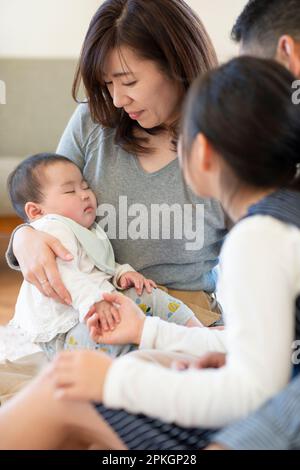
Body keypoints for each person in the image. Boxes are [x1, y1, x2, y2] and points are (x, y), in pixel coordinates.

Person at [1, 54, 300, 450]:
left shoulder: (255, 240)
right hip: (273, 403)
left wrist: (112, 382)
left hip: (261, 429)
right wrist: (152, 333)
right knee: (135, 364)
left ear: (203, 152)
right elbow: (270, 357)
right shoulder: (284, 219)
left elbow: (249, 392)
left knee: (63, 389)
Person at [6, 0, 227, 328]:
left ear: (176, 63)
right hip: (91, 308)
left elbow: (265, 244)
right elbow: (46, 202)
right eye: (108, 84)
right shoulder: (92, 121)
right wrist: (24, 238)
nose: (117, 100)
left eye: (129, 81)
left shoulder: (225, 140)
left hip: (184, 315)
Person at [7, 153, 201, 360]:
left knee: (147, 293)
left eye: (85, 186)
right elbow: (64, 274)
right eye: (70, 191)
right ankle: (155, 356)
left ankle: (195, 333)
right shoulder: (52, 227)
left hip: (97, 303)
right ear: (36, 211)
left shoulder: (84, 228)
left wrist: (121, 273)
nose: (84, 194)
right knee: (108, 341)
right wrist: (93, 302)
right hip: (68, 327)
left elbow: (96, 263)